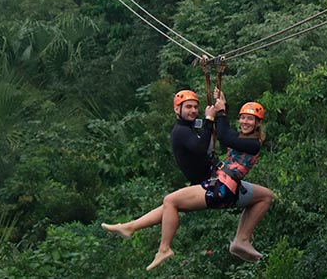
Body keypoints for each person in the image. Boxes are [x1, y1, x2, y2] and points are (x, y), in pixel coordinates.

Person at [101, 89, 273, 269]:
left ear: (258, 123)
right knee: (266, 195)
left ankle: (164, 249)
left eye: (250, 119)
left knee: (170, 200)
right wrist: (222, 105)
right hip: (227, 186)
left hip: (221, 188)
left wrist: (219, 113)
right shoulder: (240, 137)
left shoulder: (253, 144)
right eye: (243, 118)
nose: (245, 122)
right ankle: (241, 240)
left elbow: (223, 135)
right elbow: (225, 131)